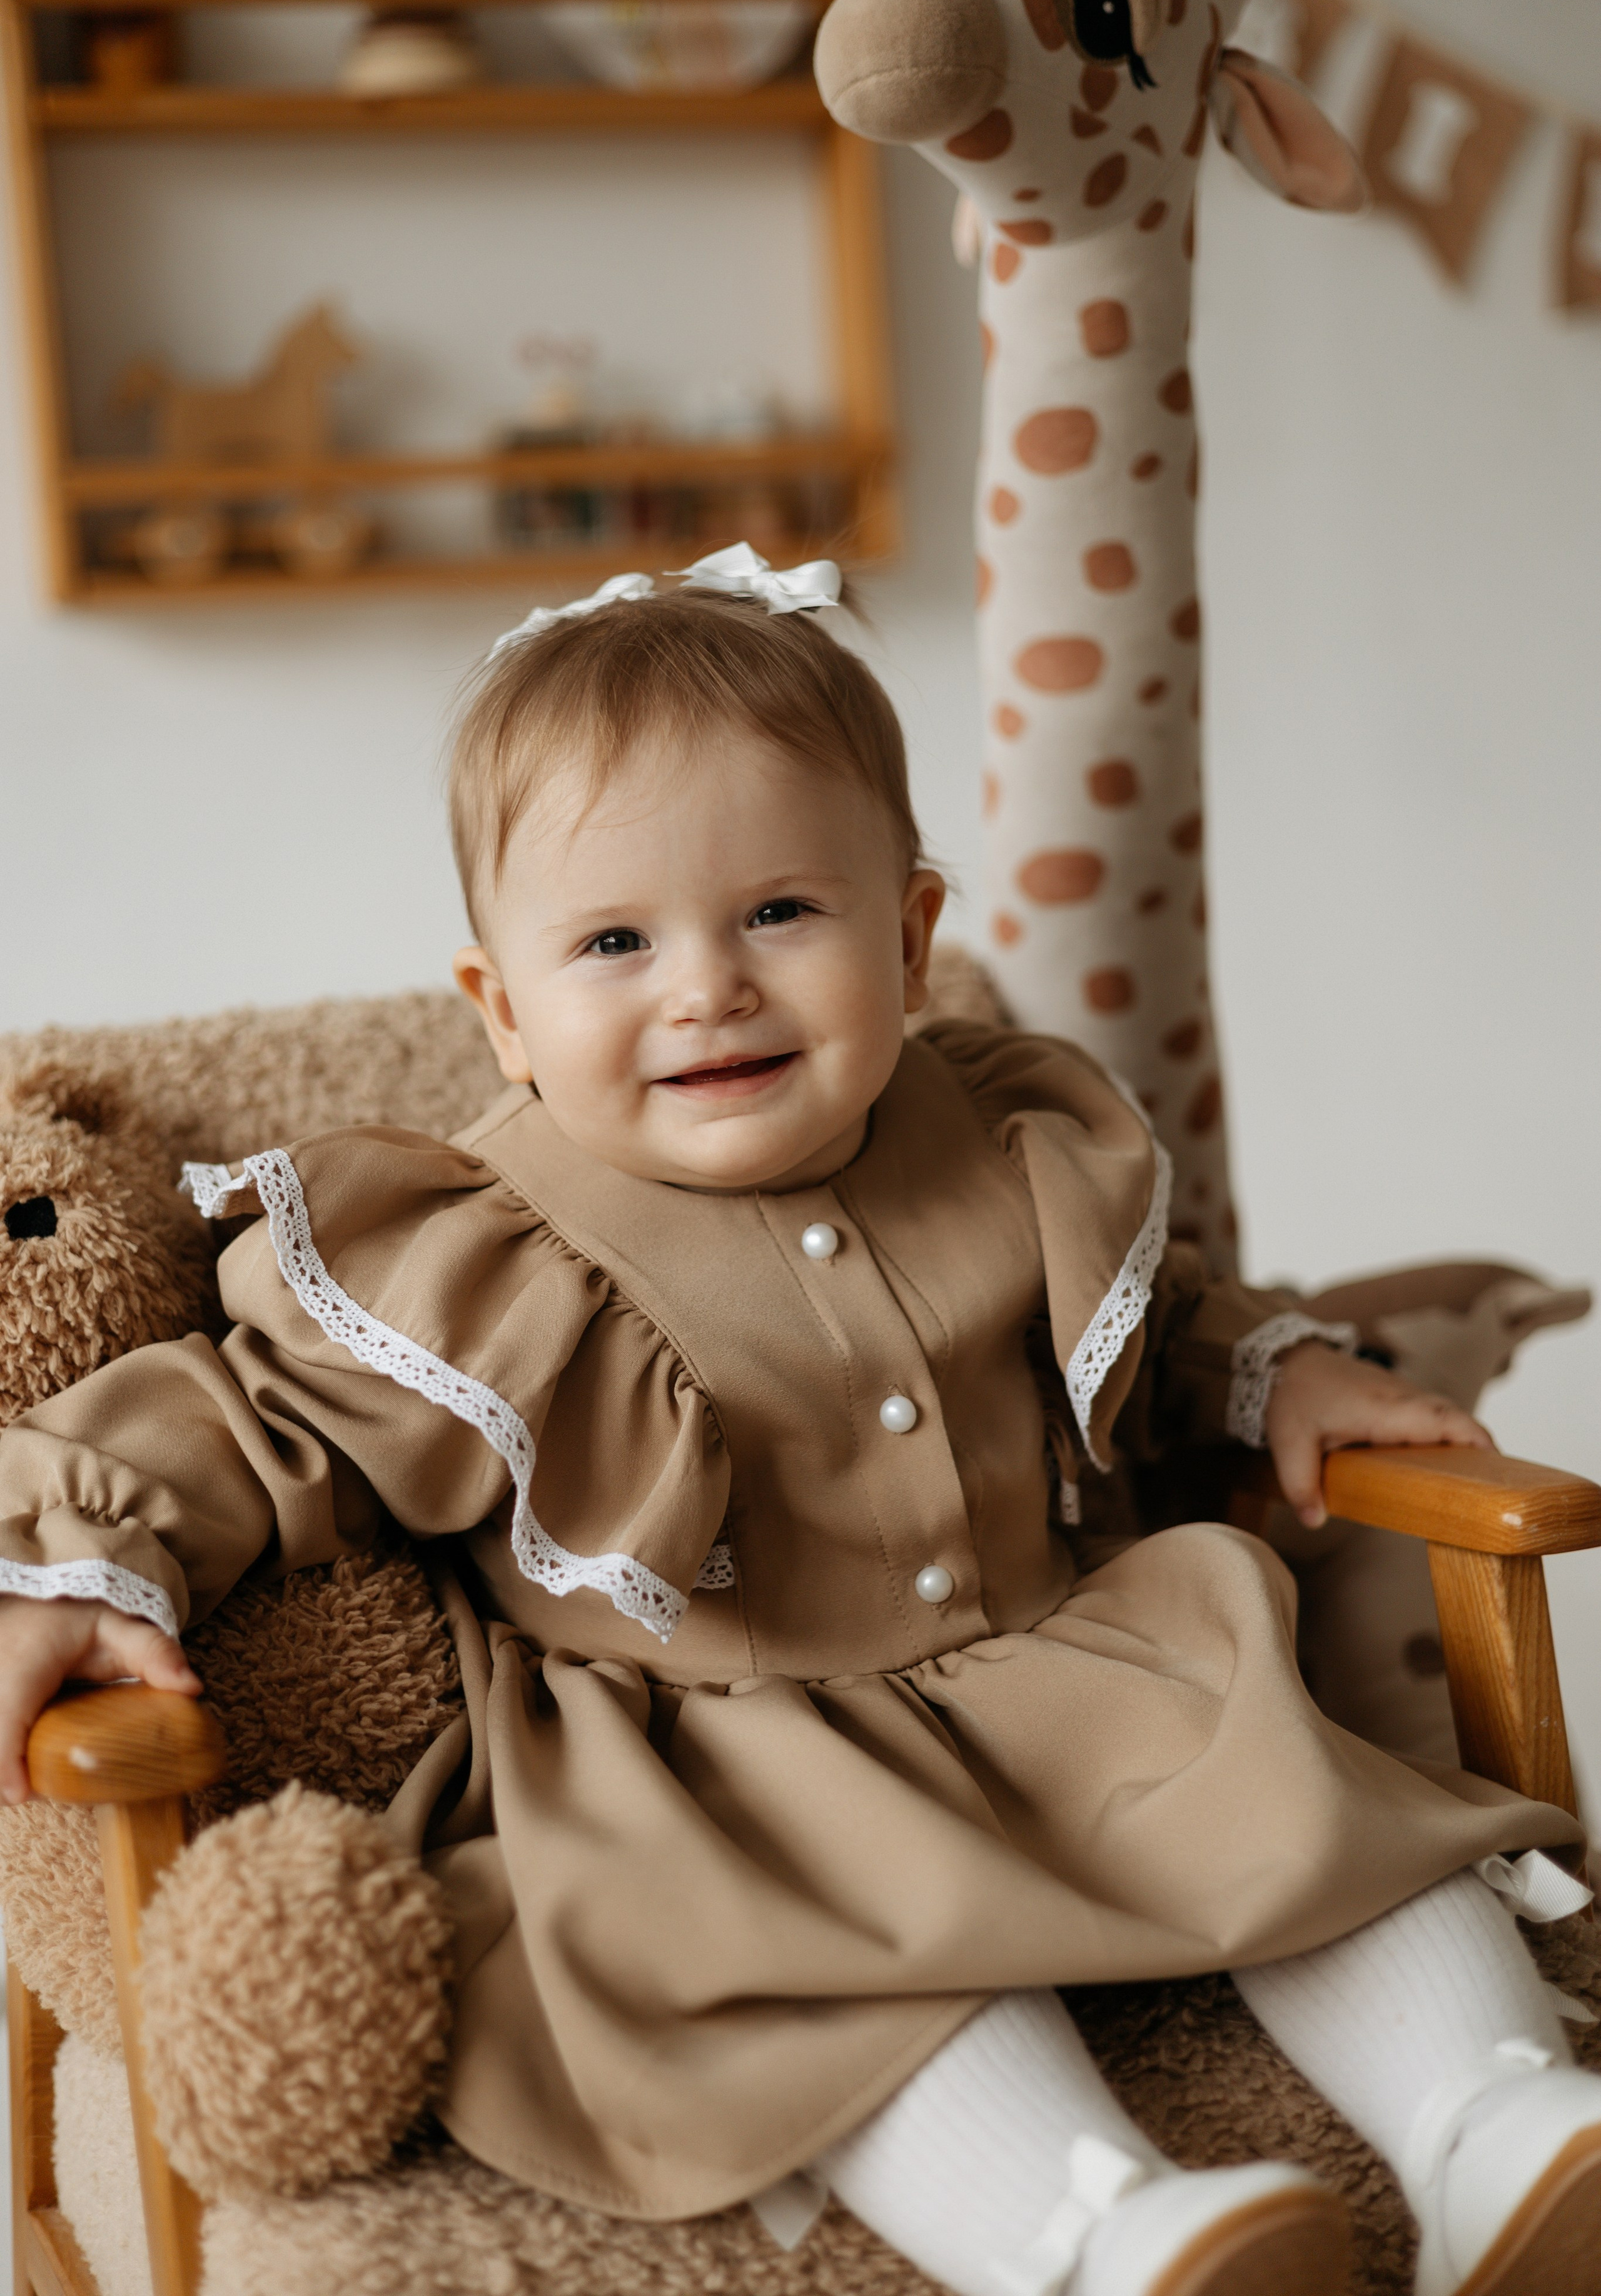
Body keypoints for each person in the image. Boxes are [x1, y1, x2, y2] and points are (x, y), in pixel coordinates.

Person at [0, 546, 1596, 2296]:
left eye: (781, 913)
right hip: (728, 1764)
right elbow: (242, 1424)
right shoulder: (468, 1257)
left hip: (1071, 1661)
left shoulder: (1002, 1131)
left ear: (909, 938)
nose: (708, 986)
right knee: (841, 1979)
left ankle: (1495, 2124)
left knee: (1321, 1811)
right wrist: (70, 1557)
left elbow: (1138, 1318)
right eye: (615, 942)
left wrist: (1275, 1371)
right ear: (506, 1012)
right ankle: (1104, 2234)